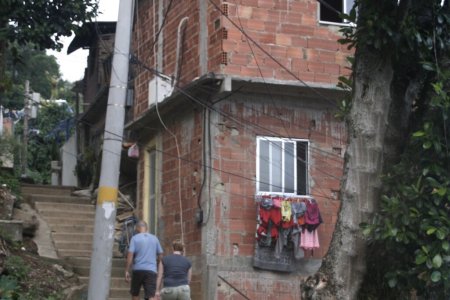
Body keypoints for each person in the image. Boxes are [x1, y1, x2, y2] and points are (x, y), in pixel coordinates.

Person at [125, 221, 163, 300]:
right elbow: (160, 254)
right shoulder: (154, 238)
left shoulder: (134, 238)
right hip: (151, 270)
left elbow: (130, 255)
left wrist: (127, 270)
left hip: (137, 270)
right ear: (147, 228)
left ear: (137, 228)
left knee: (135, 293)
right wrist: (158, 264)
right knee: (151, 295)